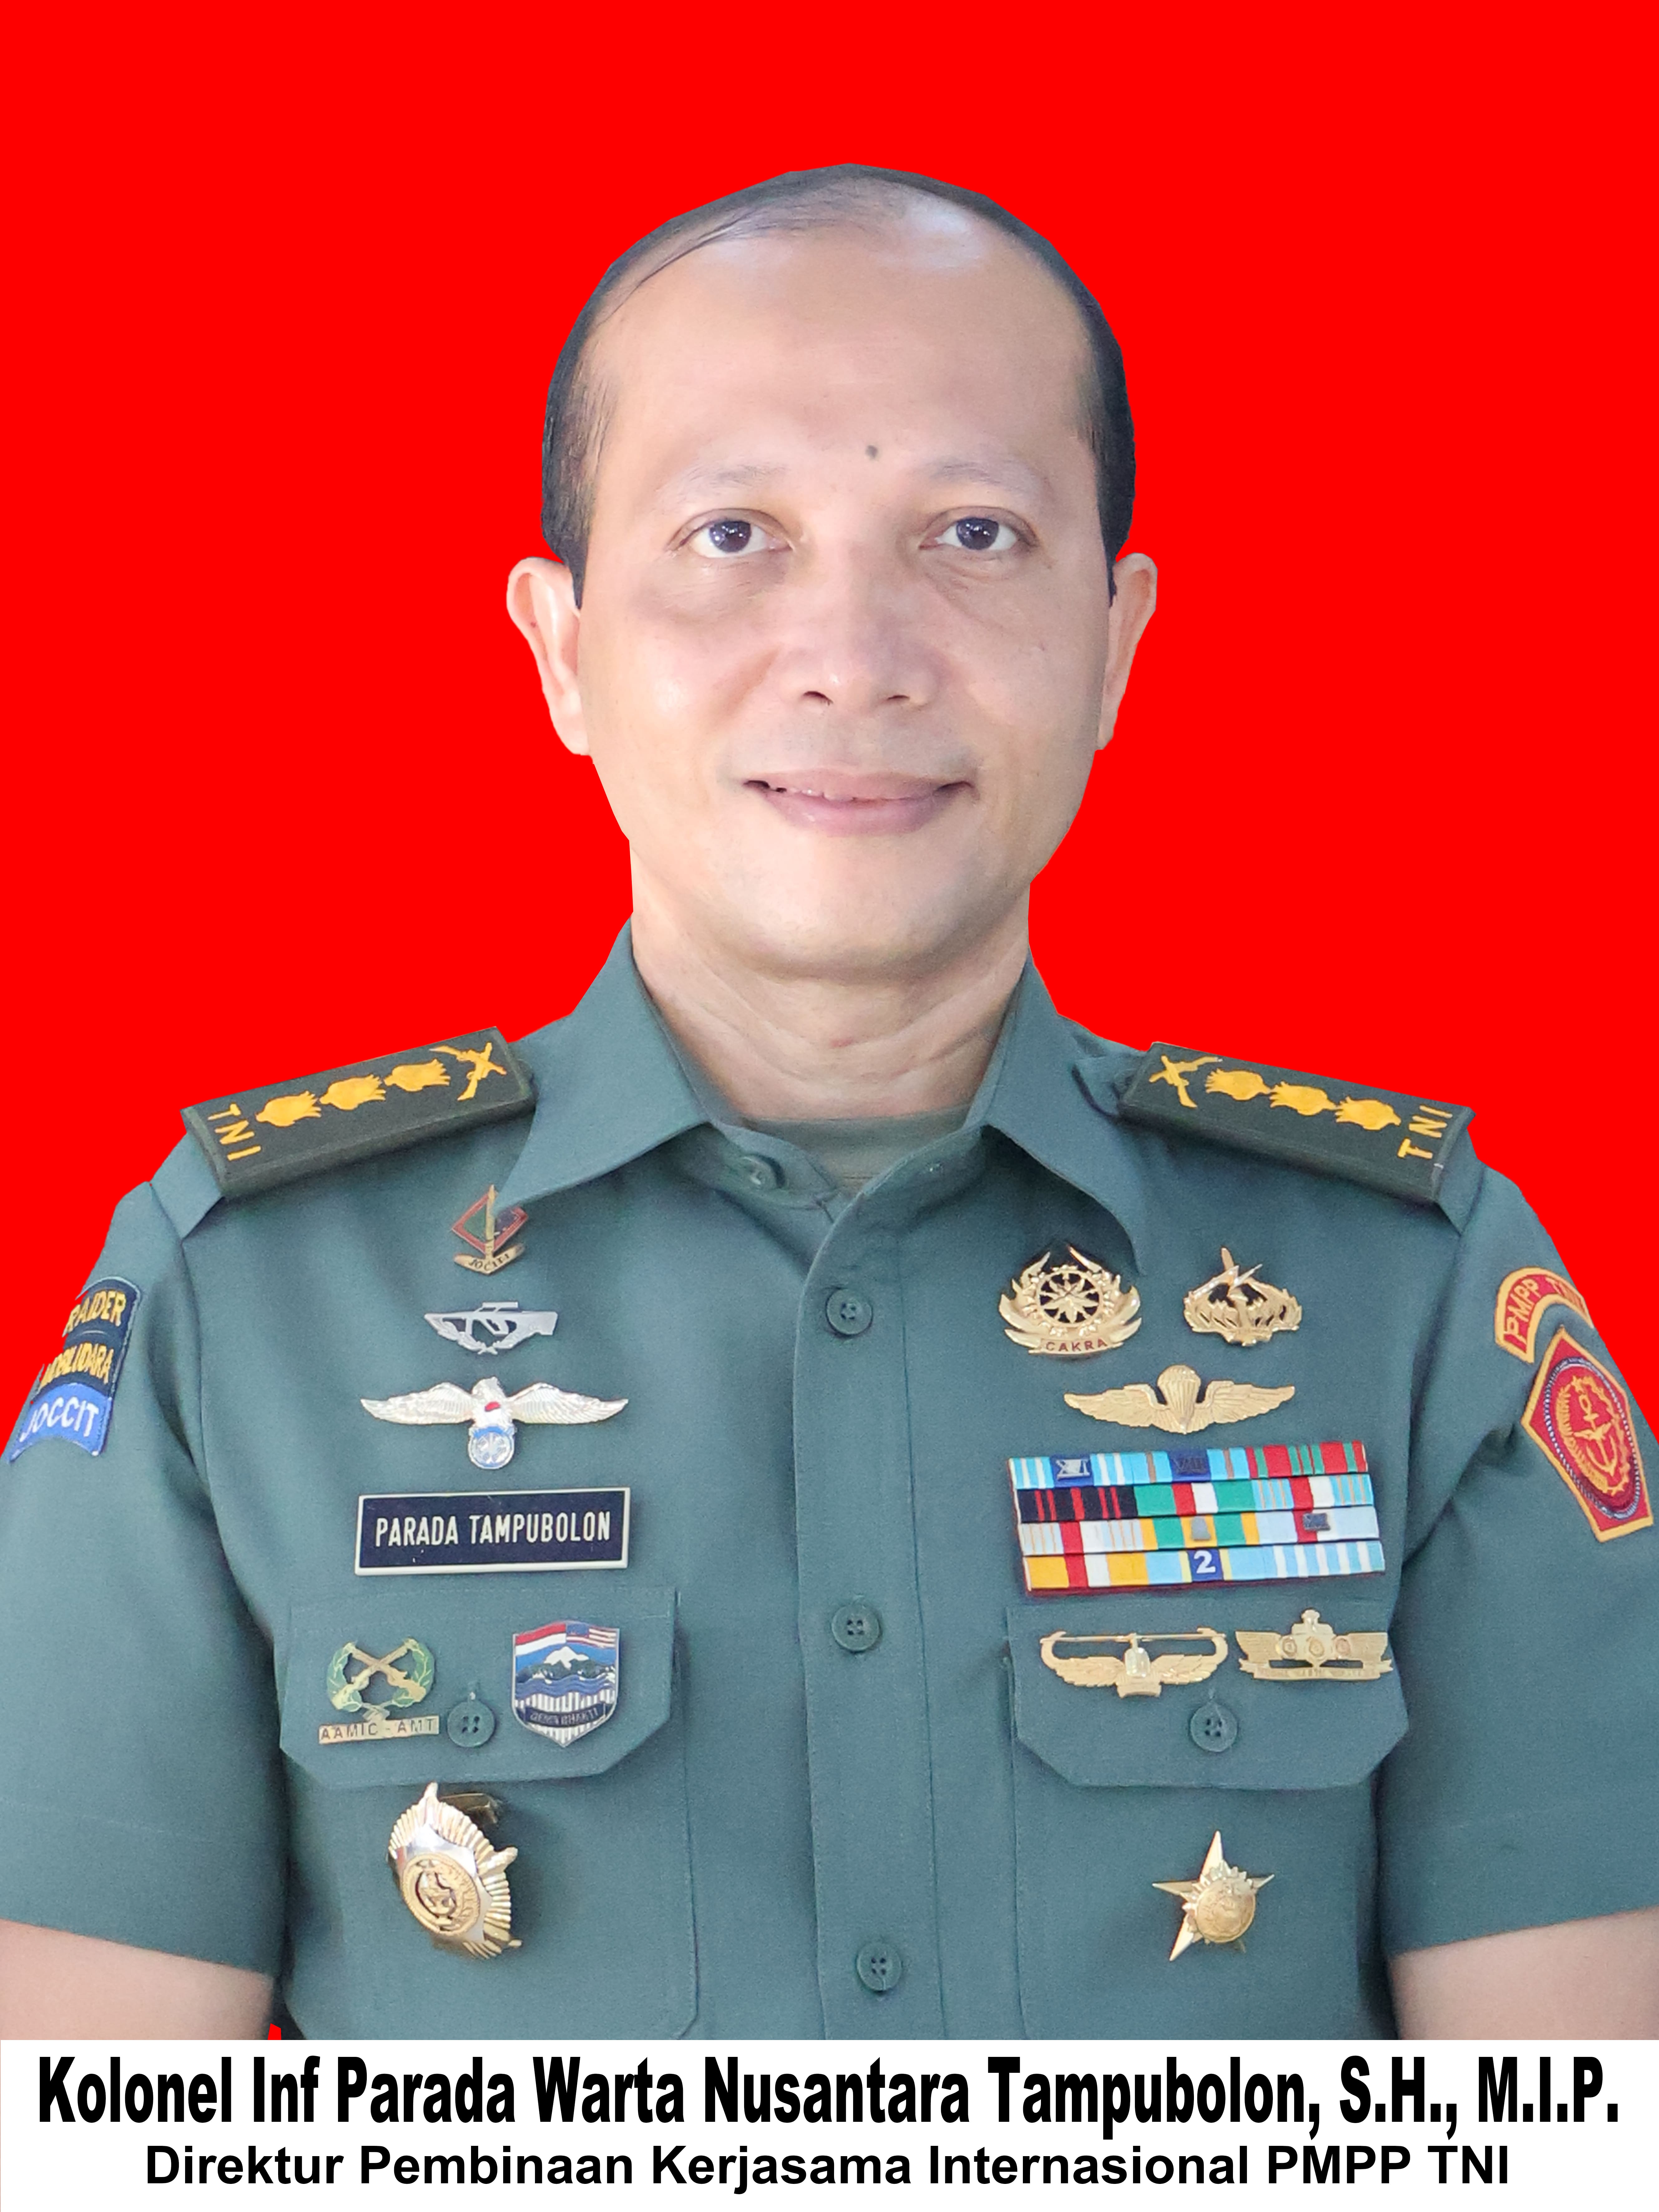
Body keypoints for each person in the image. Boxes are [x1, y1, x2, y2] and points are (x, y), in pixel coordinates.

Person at [1, 165, 1655, 2041]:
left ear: (1116, 642)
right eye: (732, 535)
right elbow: (96, 2126)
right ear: (560, 653)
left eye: (972, 534)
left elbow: (1567, 2129)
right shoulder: (249, 1298)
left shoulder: (1408, 1293)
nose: (855, 659)